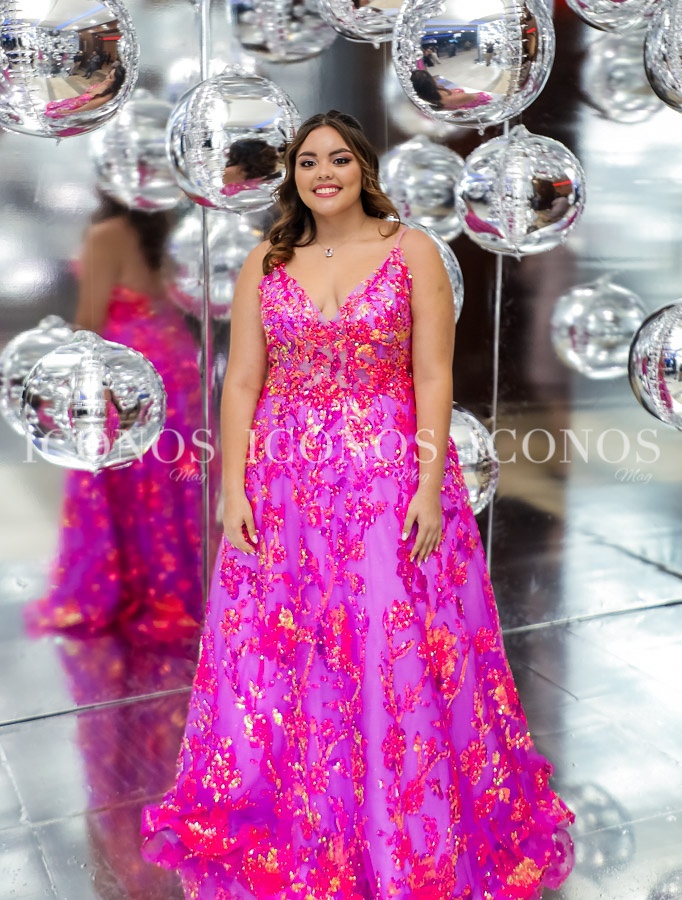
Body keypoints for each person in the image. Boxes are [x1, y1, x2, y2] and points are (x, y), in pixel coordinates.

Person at [141, 110, 574, 897]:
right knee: (290, 646)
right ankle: (307, 821)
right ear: (293, 177)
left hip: (385, 474)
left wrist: (430, 486)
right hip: (286, 482)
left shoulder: (412, 251)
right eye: (308, 162)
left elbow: (433, 375)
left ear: (364, 169)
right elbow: (241, 383)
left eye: (338, 159)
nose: (323, 173)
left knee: (388, 640)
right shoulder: (267, 260)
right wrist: (233, 488)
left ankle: (400, 833)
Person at [24, 194, 204, 643]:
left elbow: (89, 319)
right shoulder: (161, 231)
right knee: (170, 480)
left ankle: (134, 591)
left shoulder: (106, 235)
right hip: (174, 363)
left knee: (121, 475)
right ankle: (176, 589)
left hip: (126, 374)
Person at [44, 64, 125, 119]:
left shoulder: (106, 96)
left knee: (49, 114)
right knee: (48, 106)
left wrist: (67, 112)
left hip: (73, 109)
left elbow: (83, 109)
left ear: (116, 82)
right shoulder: (104, 84)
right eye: (108, 74)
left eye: (110, 77)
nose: (106, 77)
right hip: (72, 101)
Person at [411, 68, 492, 111]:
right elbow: (478, 97)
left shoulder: (425, 96)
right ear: (431, 81)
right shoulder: (446, 98)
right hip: (473, 104)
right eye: (432, 77)